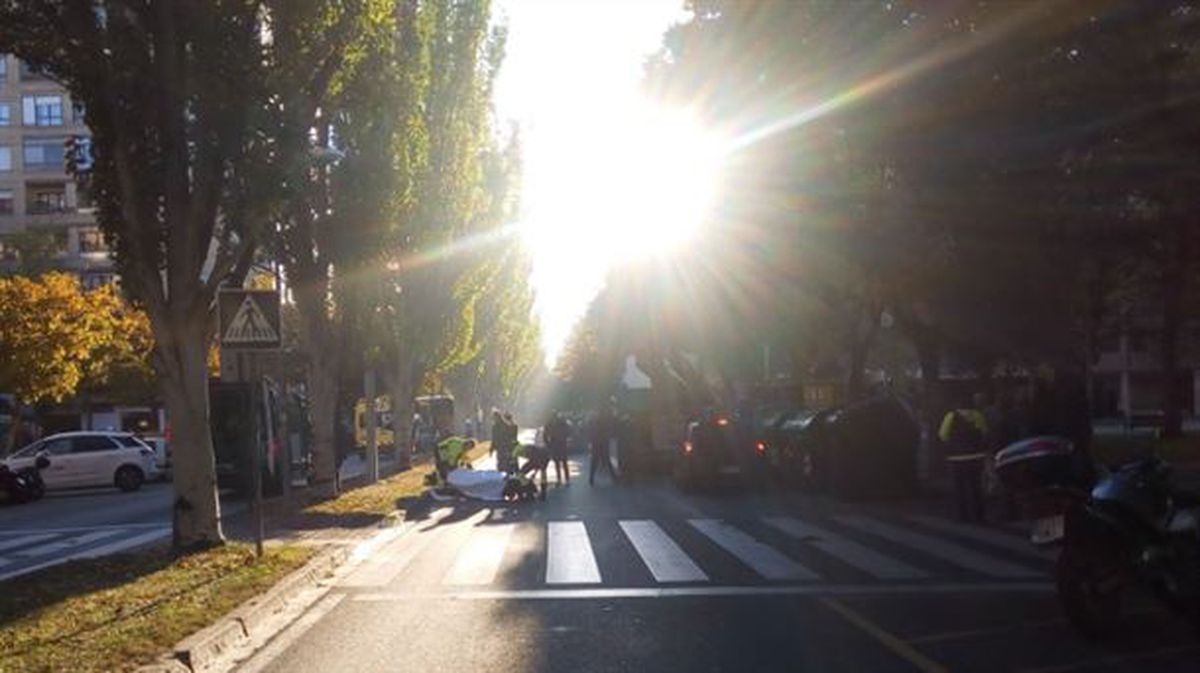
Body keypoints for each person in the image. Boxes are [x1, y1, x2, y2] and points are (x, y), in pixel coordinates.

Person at [939, 393, 989, 523]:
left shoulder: (951, 416)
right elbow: (984, 433)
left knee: (959, 488)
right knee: (976, 487)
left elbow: (943, 435)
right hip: (976, 457)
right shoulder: (978, 415)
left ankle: (963, 516)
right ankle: (979, 516)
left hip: (957, 457)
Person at [588, 410, 616, 486]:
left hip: (596, 444)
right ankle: (614, 477)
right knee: (606, 461)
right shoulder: (603, 425)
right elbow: (606, 434)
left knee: (595, 462)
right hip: (602, 444)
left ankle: (591, 478)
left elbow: (591, 434)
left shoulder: (593, 424)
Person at [543, 411, 571, 485]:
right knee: (564, 462)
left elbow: (545, 434)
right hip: (562, 443)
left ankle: (559, 479)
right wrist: (566, 438)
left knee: (557, 462)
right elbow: (569, 431)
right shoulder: (562, 422)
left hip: (554, 443)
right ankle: (567, 479)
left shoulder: (549, 423)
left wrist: (548, 444)